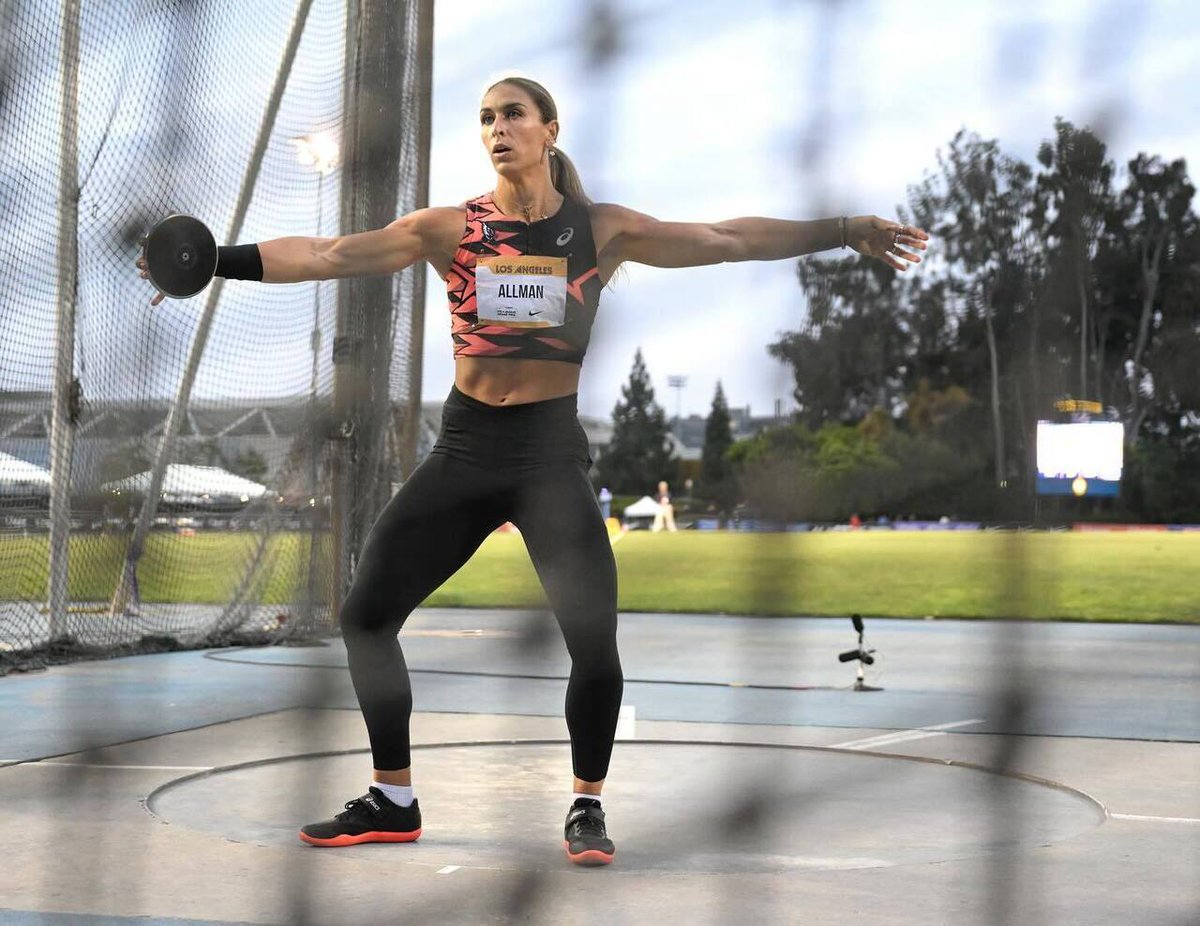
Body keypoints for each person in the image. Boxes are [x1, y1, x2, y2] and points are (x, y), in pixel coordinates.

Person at [138, 75, 929, 866]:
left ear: (549, 129)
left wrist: (843, 228)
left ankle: (587, 807)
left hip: (547, 454)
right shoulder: (448, 228)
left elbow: (728, 239)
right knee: (366, 616)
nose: (496, 127)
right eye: (485, 118)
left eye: (511, 114)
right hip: (465, 447)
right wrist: (212, 262)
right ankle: (394, 798)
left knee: (595, 645)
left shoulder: (600, 231)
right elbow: (327, 253)